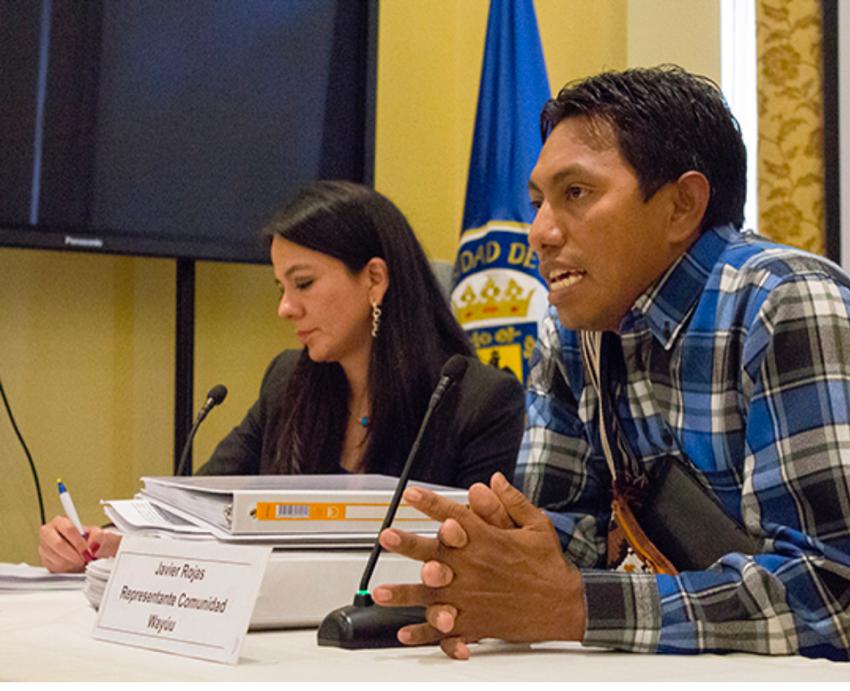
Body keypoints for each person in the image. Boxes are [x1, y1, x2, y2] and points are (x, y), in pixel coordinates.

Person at [370, 66, 850, 676]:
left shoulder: (792, 306)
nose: (539, 232)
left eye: (576, 194)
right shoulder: (573, 332)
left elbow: (845, 602)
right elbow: (568, 534)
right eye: (537, 202)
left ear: (682, 206)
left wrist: (578, 605)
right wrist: (489, 570)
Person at [38, 180, 525, 573]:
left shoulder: (478, 401)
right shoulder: (287, 381)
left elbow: (479, 563)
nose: (285, 308)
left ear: (374, 279)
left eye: (304, 283)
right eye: (281, 287)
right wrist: (106, 540)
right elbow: (199, 506)